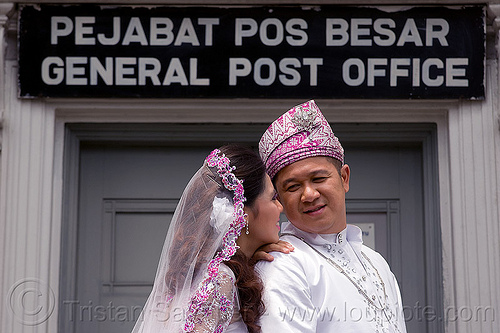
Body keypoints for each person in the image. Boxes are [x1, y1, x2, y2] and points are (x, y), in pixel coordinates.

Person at [256, 100, 407, 332]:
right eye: (293, 187)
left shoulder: (376, 263)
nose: (309, 194)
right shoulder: (284, 264)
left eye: (318, 179)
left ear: (344, 178)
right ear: (280, 199)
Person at [131, 144, 290, 333]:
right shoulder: (218, 279)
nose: (280, 207)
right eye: (273, 198)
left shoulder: (213, 273)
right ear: (242, 212)